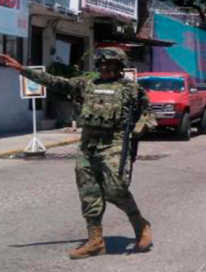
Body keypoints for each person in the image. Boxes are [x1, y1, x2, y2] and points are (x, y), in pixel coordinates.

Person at [0, 48, 156, 259]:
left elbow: (149, 114)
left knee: (115, 188)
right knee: (88, 192)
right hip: (88, 146)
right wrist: (22, 70)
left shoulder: (132, 89)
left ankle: (140, 224)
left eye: (109, 64)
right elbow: (56, 82)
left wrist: (141, 127)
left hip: (115, 144)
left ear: (119, 66)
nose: (104, 68)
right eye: (100, 64)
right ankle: (95, 241)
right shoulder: (86, 84)